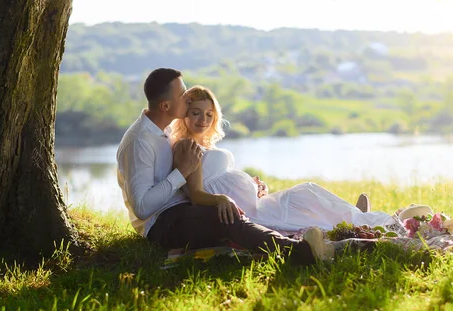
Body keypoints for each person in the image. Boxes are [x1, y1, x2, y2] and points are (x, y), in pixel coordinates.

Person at [116, 68, 336, 263]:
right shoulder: (140, 142)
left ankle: (322, 232)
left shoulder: (164, 129)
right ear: (165, 105)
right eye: (182, 96)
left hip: (181, 208)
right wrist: (182, 172)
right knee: (224, 217)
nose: (187, 99)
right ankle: (299, 252)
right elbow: (143, 207)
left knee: (231, 211)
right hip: (161, 224)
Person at [170, 85, 405, 235]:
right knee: (306, 194)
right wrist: (222, 197)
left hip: (256, 202)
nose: (204, 119)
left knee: (307, 192)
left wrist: (253, 186)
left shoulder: (206, 145)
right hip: (252, 213)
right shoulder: (186, 146)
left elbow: (221, 179)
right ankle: (369, 220)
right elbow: (196, 193)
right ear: (184, 115)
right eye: (196, 113)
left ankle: (358, 217)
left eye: (209, 114)